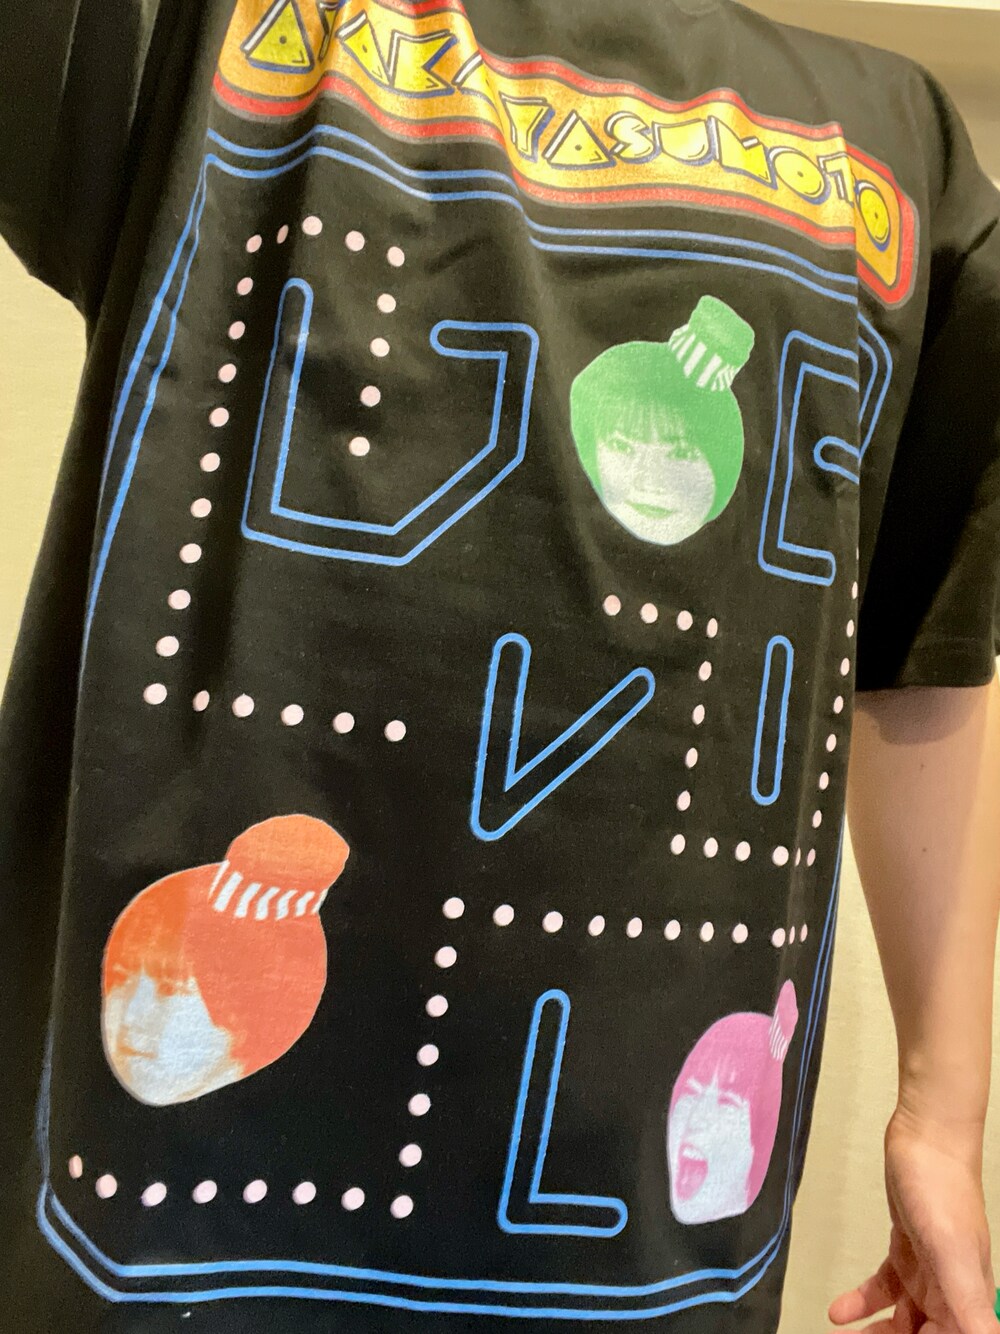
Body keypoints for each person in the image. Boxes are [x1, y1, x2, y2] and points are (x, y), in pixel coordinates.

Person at [1, 1, 999, 1330]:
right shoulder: (205, 27)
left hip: (640, 1246)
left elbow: (926, 639)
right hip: (157, 1241)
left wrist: (940, 1112)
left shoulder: (896, 141)